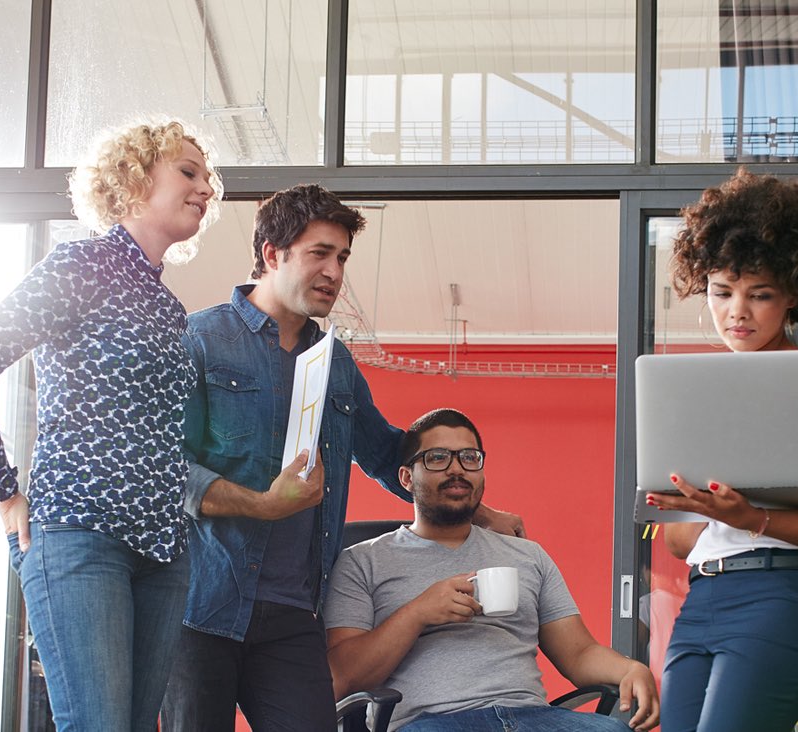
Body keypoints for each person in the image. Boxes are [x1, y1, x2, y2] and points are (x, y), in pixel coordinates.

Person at [163, 184, 526, 731]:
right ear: (272, 254)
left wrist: (475, 506)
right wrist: (262, 504)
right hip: (202, 607)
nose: (335, 272)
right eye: (319, 253)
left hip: (293, 614)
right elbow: (170, 469)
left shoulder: (334, 361)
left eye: (342, 258)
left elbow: (387, 454)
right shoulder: (200, 339)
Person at [0, 119, 220, 732]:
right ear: (134, 176)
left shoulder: (170, 308)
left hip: (163, 551)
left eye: (208, 178)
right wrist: (1, 491)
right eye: (188, 172)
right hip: (78, 534)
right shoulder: (79, 265)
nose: (206, 189)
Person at [647, 168, 798, 732]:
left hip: (786, 594)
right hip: (704, 600)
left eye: (759, 294)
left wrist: (753, 518)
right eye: (722, 292)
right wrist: (711, 511)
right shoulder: (701, 394)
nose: (736, 312)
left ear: (793, 295)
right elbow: (677, 539)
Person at [323, 408, 659, 732]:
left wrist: (630, 668)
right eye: (438, 458)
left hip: (535, 718)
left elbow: (579, 653)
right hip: (433, 722)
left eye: (469, 458)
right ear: (406, 477)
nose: (458, 469)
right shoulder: (361, 562)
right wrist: (417, 613)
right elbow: (344, 677)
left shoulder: (529, 556)